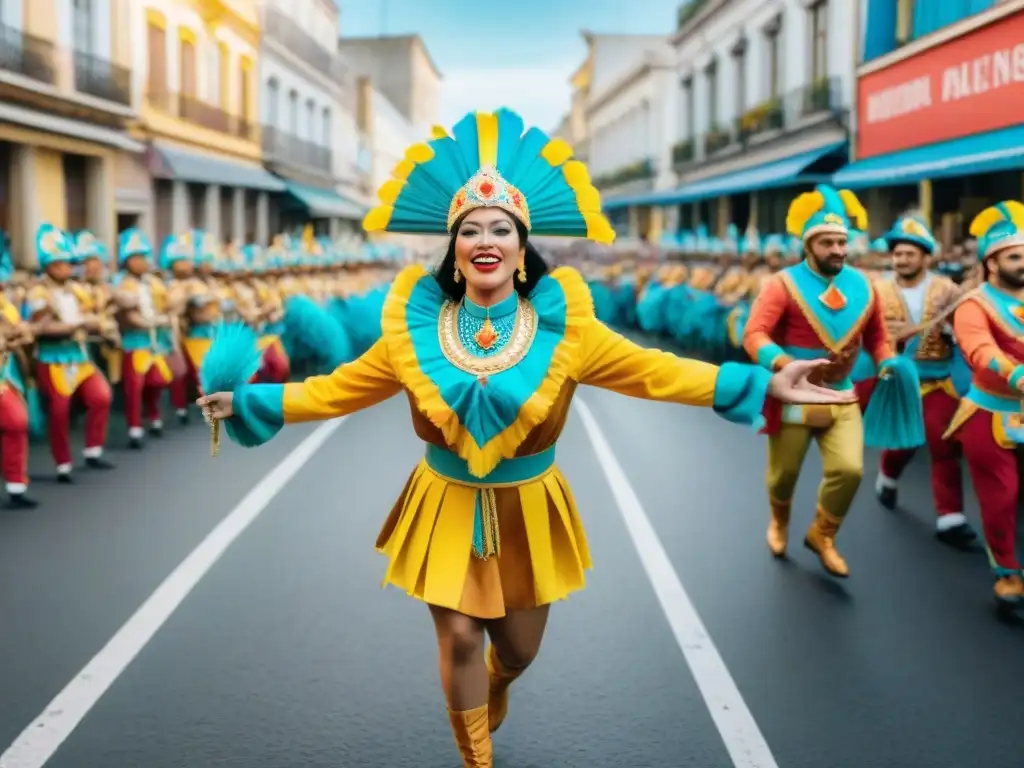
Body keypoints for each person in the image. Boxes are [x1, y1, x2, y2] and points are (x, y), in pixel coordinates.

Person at [198, 108, 853, 767]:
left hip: (528, 508)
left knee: (518, 649)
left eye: (501, 228)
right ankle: (475, 755)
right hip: (445, 499)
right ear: (454, 248)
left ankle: (500, 683)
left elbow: (657, 372)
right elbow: (336, 388)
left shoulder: (564, 328)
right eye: (471, 228)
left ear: (520, 247)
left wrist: (766, 383)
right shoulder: (414, 330)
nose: (486, 238)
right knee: (458, 637)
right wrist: (248, 400)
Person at [742, 185, 906, 578]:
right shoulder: (782, 284)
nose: (838, 250)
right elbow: (754, 334)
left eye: (842, 241)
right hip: (795, 394)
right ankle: (779, 522)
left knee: (850, 470)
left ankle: (822, 534)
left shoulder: (865, 286)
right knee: (784, 476)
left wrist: (887, 361)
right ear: (809, 245)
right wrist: (782, 362)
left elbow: (878, 338)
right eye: (828, 242)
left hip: (841, 393)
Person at [871, 216, 974, 547]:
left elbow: (968, 325)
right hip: (898, 379)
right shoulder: (877, 289)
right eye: (898, 254)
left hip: (938, 379)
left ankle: (950, 518)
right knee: (905, 443)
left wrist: (954, 332)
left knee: (944, 444)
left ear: (925, 257)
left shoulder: (948, 289)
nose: (902, 259)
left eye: (909, 254)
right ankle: (887, 475)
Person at [944, 202, 1024, 606]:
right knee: (1002, 494)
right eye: (1014, 256)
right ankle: (1008, 571)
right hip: (991, 413)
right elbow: (978, 348)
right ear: (992, 263)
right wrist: (1014, 374)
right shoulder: (975, 304)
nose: (1023, 263)